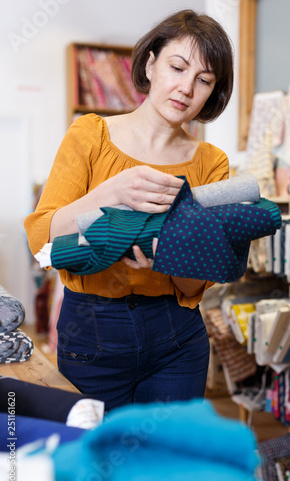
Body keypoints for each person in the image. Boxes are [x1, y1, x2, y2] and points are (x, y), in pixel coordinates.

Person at [24, 9, 234, 411]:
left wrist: (165, 258)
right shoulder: (90, 135)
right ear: (151, 63)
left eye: (203, 80)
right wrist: (112, 191)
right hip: (92, 332)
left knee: (165, 465)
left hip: (178, 339)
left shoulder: (212, 163)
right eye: (178, 67)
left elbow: (192, 287)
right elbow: (42, 240)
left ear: (212, 92)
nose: (186, 88)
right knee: (94, 462)